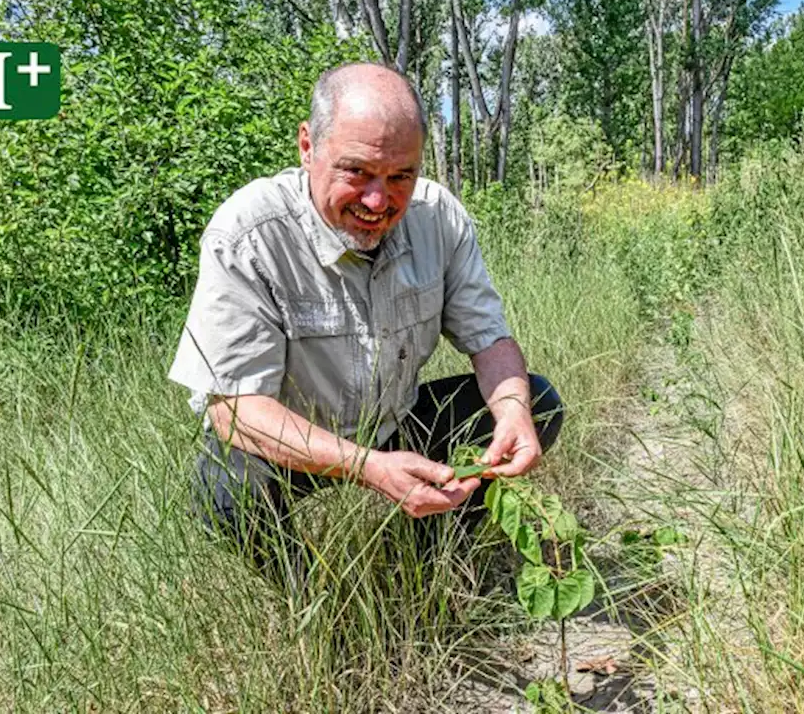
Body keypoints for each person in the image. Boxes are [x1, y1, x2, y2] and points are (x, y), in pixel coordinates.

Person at [167, 62, 563, 580]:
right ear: (308, 147)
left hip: (395, 422)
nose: (379, 201)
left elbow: (489, 340)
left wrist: (513, 414)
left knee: (537, 401)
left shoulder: (437, 217)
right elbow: (233, 410)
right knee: (225, 486)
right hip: (295, 446)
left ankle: (433, 564)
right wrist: (367, 467)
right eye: (357, 171)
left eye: (402, 176)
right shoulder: (249, 233)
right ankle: (315, 600)